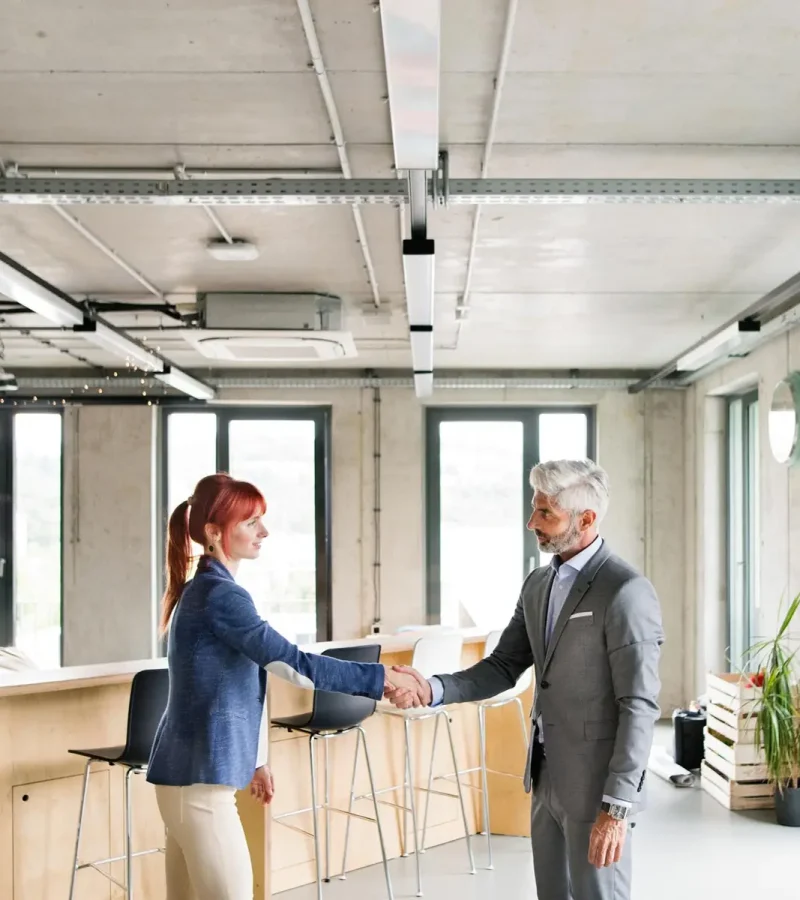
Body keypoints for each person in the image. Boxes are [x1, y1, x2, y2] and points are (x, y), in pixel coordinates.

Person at [386, 459, 664, 900]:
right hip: (545, 775)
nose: (531, 522)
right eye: (534, 509)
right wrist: (432, 687)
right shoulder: (538, 584)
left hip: (597, 788)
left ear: (586, 519)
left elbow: (639, 704)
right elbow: (502, 666)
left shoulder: (625, 590)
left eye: (545, 514)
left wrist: (617, 806)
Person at [147, 472, 421, 900]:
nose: (264, 531)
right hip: (199, 786)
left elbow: (235, 683)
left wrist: (256, 761)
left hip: (192, 781)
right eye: (251, 522)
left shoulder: (209, 590)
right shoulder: (221, 596)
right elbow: (291, 664)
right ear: (214, 532)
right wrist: (380, 677)